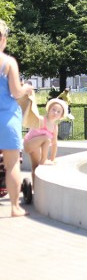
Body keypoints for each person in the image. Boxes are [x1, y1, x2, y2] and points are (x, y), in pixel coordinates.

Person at [0, 20, 35, 217]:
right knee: (12, 163)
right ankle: (14, 207)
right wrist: (27, 88)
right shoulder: (8, 62)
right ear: (3, 38)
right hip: (6, 118)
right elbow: (15, 92)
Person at [23, 98, 67, 180]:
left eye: (58, 112)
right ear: (48, 110)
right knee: (47, 139)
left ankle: (34, 188)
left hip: (36, 147)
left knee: (36, 167)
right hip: (29, 143)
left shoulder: (54, 127)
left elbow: (54, 144)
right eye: (53, 109)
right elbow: (32, 118)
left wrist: (52, 159)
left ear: (61, 116)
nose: (55, 112)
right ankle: (43, 160)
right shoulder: (41, 119)